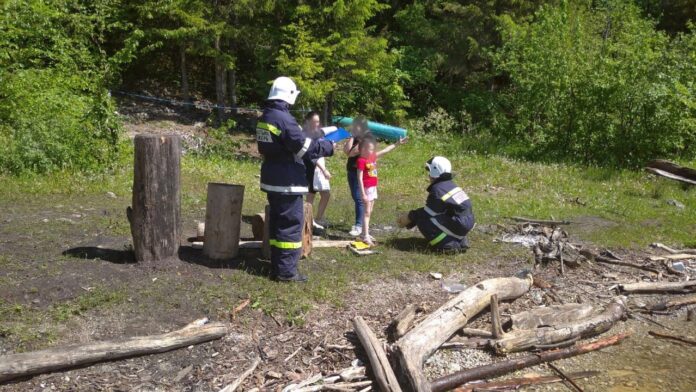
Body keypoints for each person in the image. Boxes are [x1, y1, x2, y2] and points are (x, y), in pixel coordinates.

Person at [256, 77, 334, 283]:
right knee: (290, 225)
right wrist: (329, 147)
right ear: (289, 95)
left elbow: (286, 143)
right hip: (287, 181)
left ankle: (278, 266)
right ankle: (287, 272)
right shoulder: (284, 118)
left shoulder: (267, 116)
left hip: (273, 178)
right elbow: (302, 147)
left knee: (278, 223)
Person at [405, 156, 474, 251]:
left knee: (423, 221)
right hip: (467, 221)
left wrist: (411, 217)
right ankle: (461, 240)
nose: (428, 175)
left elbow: (428, 213)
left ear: (434, 171)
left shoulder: (437, 189)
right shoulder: (450, 184)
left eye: (429, 171)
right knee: (440, 217)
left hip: (459, 222)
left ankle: (448, 245)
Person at [356, 136, 407, 245]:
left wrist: (397, 143)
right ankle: (365, 236)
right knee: (367, 212)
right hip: (366, 189)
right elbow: (359, 178)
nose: (372, 151)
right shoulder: (361, 161)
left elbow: (385, 151)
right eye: (370, 149)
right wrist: (363, 194)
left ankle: (364, 233)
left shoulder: (372, 158)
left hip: (373, 188)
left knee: (370, 211)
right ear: (363, 149)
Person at [302, 111, 331, 230]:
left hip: (320, 168)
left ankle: (318, 218)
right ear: (308, 121)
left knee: (326, 193)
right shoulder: (305, 135)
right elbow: (312, 156)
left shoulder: (319, 134)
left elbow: (321, 151)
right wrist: (324, 169)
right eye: (314, 121)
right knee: (311, 194)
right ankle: (307, 220)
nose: (316, 124)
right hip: (312, 168)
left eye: (318, 121)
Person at [343, 117, 370, 237]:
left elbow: (352, 152)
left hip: (360, 172)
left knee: (359, 198)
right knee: (356, 197)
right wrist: (352, 137)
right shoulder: (355, 138)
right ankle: (362, 221)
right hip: (351, 170)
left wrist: (353, 137)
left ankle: (359, 225)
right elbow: (345, 151)